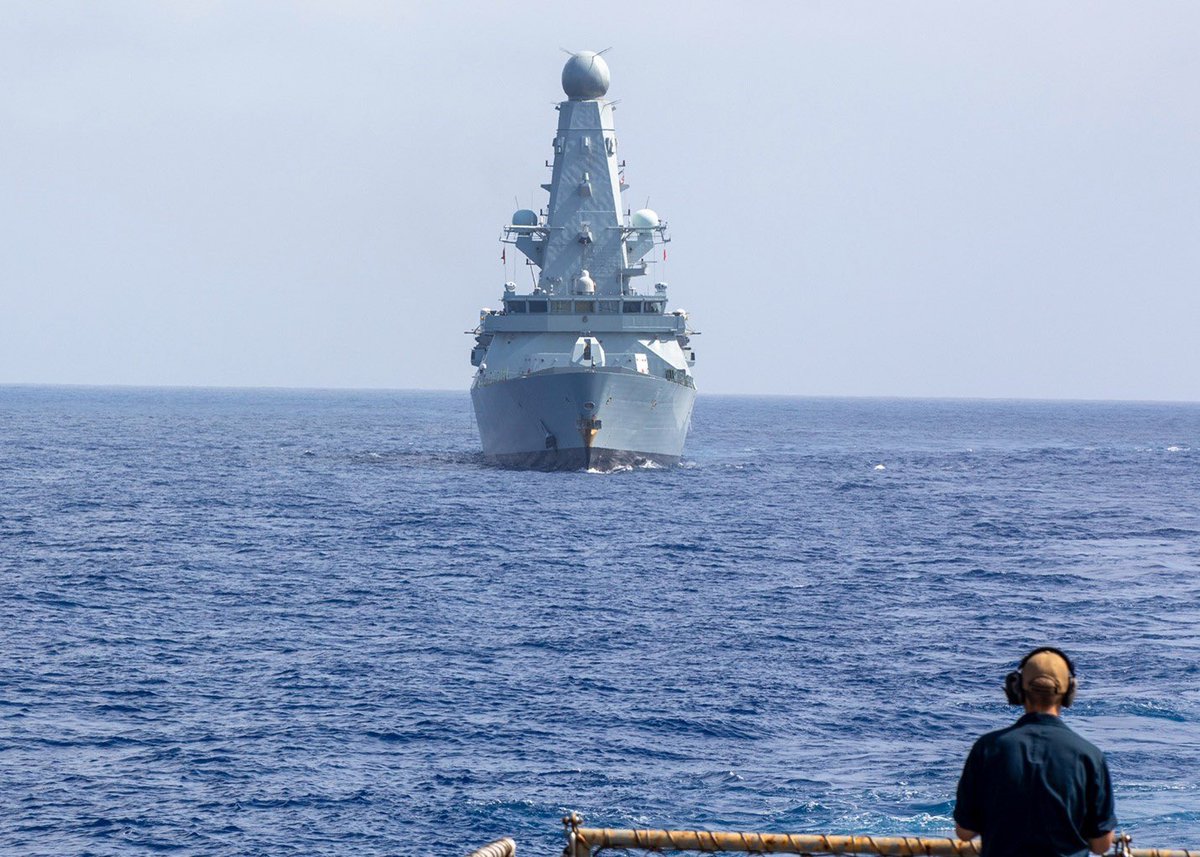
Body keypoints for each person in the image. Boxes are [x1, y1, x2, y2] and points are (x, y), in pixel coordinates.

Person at [954, 647, 1117, 857]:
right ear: (1069, 693)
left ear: (1016, 689)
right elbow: (1101, 845)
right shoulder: (1089, 756)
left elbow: (964, 832)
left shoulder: (987, 748)